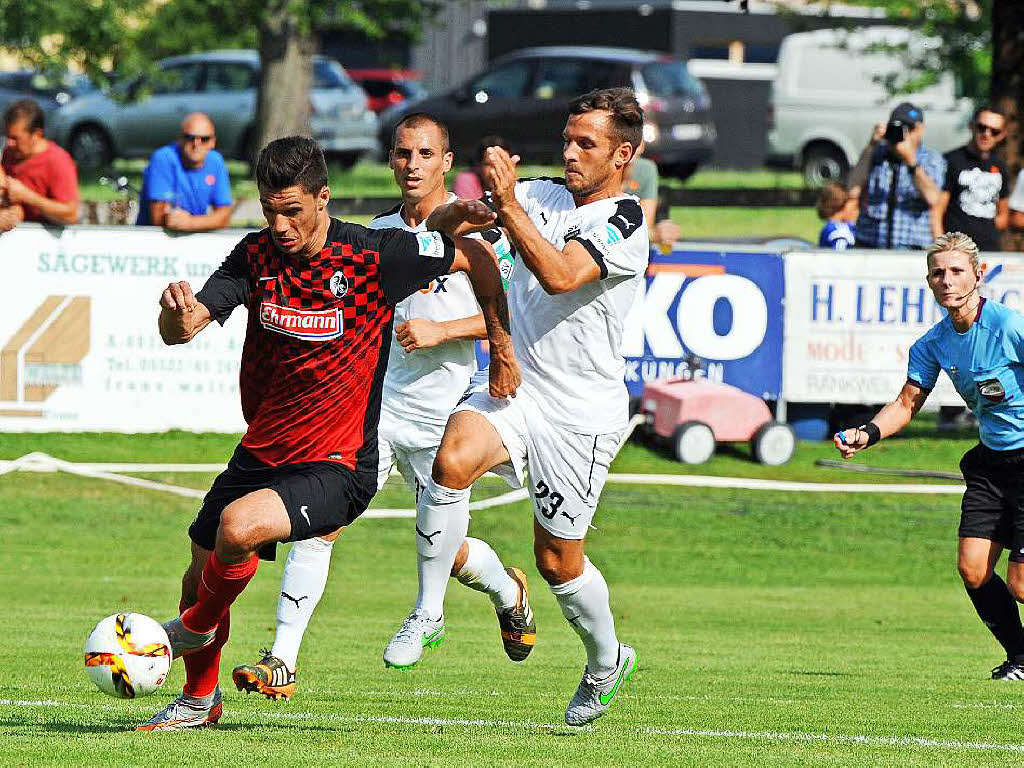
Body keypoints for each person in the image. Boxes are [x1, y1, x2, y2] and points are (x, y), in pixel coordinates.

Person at [137, 135, 518, 730]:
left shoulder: (373, 255)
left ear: (323, 197)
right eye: (270, 210)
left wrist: (500, 345)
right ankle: (198, 700)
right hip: (264, 449)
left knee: (237, 532)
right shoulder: (255, 255)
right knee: (200, 566)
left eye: (292, 211)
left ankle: (194, 629)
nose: (281, 226)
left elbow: (472, 256)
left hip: (338, 465)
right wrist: (174, 313)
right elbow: (183, 329)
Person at [229, 114, 533, 699]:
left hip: (447, 412)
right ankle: (282, 659)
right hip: (374, 406)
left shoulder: (483, 231)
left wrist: (446, 334)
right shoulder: (377, 233)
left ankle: (506, 591)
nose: (411, 163)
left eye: (424, 152)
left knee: (447, 545)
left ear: (446, 162)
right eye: (401, 152)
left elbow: (510, 314)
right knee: (319, 521)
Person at [421, 87, 649, 726]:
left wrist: (510, 202)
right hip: (516, 390)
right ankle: (427, 609)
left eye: (588, 145)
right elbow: (452, 229)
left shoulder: (626, 221)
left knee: (557, 561)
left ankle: (606, 660)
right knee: (452, 460)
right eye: (568, 139)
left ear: (621, 155)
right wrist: (461, 214)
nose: (571, 153)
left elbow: (558, 274)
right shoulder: (544, 193)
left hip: (580, 415)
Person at [834, 231, 1024, 682]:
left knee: (1020, 584)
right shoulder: (933, 343)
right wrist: (869, 433)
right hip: (991, 465)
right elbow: (906, 403)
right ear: (928, 281)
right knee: (974, 570)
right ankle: (1020, 656)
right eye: (938, 273)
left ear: (978, 275)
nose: (947, 280)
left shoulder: (1007, 326)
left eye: (957, 271)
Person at [848, 102, 945, 249]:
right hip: (871, 245)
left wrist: (911, 161)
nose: (904, 134)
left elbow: (933, 198)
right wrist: (871, 146)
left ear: (920, 130)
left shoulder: (931, 159)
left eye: (910, 128)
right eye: (899, 127)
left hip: (912, 248)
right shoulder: (875, 154)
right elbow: (852, 190)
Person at [136, 112, 233, 231]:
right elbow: (158, 218)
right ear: (180, 139)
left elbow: (224, 216)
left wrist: (190, 223)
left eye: (204, 139)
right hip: (155, 239)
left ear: (213, 142)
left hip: (193, 236)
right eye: (190, 138)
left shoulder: (216, 161)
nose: (196, 144)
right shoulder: (163, 158)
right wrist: (206, 221)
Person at [934, 105, 1009, 250]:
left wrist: (989, 229)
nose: (987, 134)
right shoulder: (951, 160)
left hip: (989, 249)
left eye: (994, 131)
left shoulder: (1000, 166)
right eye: (982, 127)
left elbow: (1003, 214)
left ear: (1001, 135)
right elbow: (937, 209)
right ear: (971, 126)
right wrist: (941, 246)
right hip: (957, 248)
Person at [0, 98, 79, 233]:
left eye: (15, 138)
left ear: (37, 134)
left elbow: (71, 215)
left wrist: (28, 197)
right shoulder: (10, 153)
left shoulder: (57, 161)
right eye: (8, 137)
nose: (9, 143)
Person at [622, 144, 680, 250]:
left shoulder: (646, 169)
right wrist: (653, 234)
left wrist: (662, 232)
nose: (628, 148)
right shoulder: (598, 169)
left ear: (642, 146)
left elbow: (645, 226)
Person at [453, 135, 510, 201]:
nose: (496, 170)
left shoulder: (519, 187)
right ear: (478, 166)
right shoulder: (466, 179)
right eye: (489, 165)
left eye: (502, 164)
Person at [815, 182, 858, 250]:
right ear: (842, 206)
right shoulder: (839, 232)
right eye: (855, 208)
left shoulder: (828, 227)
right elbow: (840, 256)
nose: (857, 212)